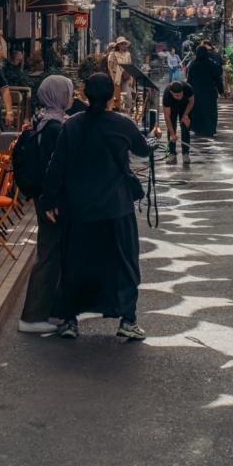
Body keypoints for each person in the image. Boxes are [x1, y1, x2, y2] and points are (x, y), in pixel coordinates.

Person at [41, 72, 149, 342]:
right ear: (112, 95)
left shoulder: (72, 125)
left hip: (79, 207)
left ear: (84, 95)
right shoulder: (122, 124)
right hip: (116, 207)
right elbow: (143, 150)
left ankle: (69, 321)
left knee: (76, 262)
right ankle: (127, 320)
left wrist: (50, 199)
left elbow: (57, 165)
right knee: (123, 263)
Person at [19, 75, 75, 335]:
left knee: (54, 252)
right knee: (49, 254)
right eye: (68, 91)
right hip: (49, 201)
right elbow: (54, 168)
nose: (71, 96)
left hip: (45, 198)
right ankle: (32, 316)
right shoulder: (54, 127)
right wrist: (54, 200)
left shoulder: (44, 120)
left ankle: (51, 310)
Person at [187, 45, 224, 138]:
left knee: (197, 111)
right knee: (210, 112)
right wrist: (221, 91)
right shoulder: (211, 64)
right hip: (209, 93)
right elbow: (218, 78)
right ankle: (209, 129)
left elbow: (189, 80)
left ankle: (197, 129)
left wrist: (188, 93)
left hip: (196, 93)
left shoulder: (193, 65)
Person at [162, 79, 195, 165]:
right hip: (172, 107)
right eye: (177, 96)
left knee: (185, 127)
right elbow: (167, 117)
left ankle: (186, 154)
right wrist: (173, 134)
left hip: (185, 106)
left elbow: (191, 102)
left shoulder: (187, 88)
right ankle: (172, 154)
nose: (179, 97)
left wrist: (185, 115)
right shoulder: (167, 95)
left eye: (181, 95)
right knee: (171, 128)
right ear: (172, 93)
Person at [108, 36, 133, 111]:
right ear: (118, 45)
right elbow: (110, 67)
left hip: (125, 76)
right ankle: (117, 112)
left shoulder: (128, 54)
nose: (124, 45)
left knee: (128, 97)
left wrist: (131, 79)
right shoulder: (113, 54)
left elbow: (130, 67)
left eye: (125, 43)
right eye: (122, 43)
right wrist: (112, 77)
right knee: (116, 97)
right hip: (116, 77)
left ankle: (128, 114)